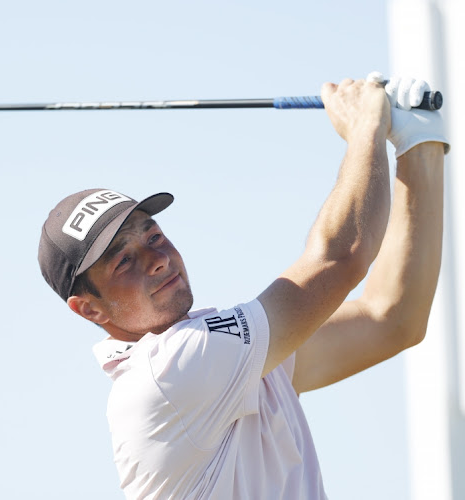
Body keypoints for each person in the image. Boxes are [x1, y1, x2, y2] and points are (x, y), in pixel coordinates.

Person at [37, 73, 449, 499]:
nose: (157, 260)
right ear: (90, 309)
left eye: (153, 236)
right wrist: (366, 125)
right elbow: (340, 258)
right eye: (124, 260)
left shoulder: (228, 361)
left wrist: (419, 141)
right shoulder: (169, 370)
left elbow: (391, 317)